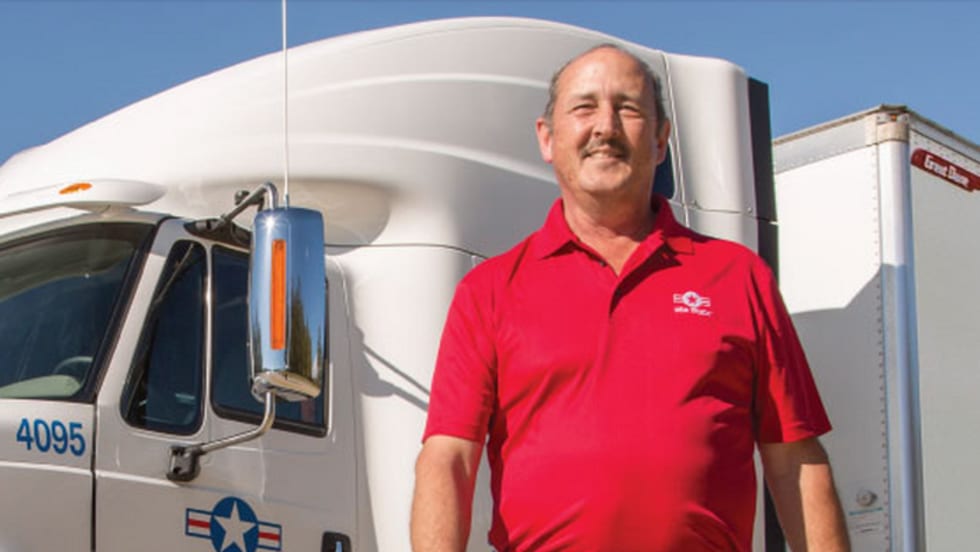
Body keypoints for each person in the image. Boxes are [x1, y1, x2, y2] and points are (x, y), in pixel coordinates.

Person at [411, 43, 849, 552]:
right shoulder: (488, 291)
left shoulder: (738, 277)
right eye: (584, 107)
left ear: (661, 140)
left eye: (628, 108)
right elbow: (449, 458)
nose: (606, 127)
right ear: (547, 138)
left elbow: (794, 458)